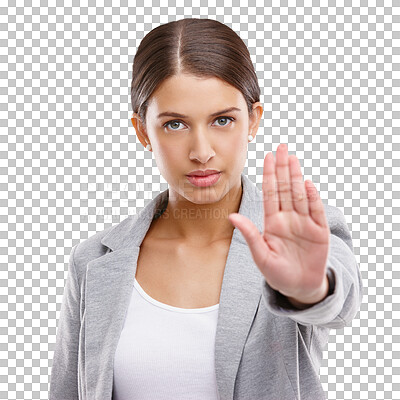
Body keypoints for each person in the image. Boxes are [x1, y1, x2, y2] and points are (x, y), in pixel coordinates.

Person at [49, 17, 363, 400]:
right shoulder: (93, 261)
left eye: (223, 120)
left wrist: (308, 289)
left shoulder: (301, 233)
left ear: (253, 120)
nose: (201, 152)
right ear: (142, 131)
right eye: (175, 125)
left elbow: (340, 300)